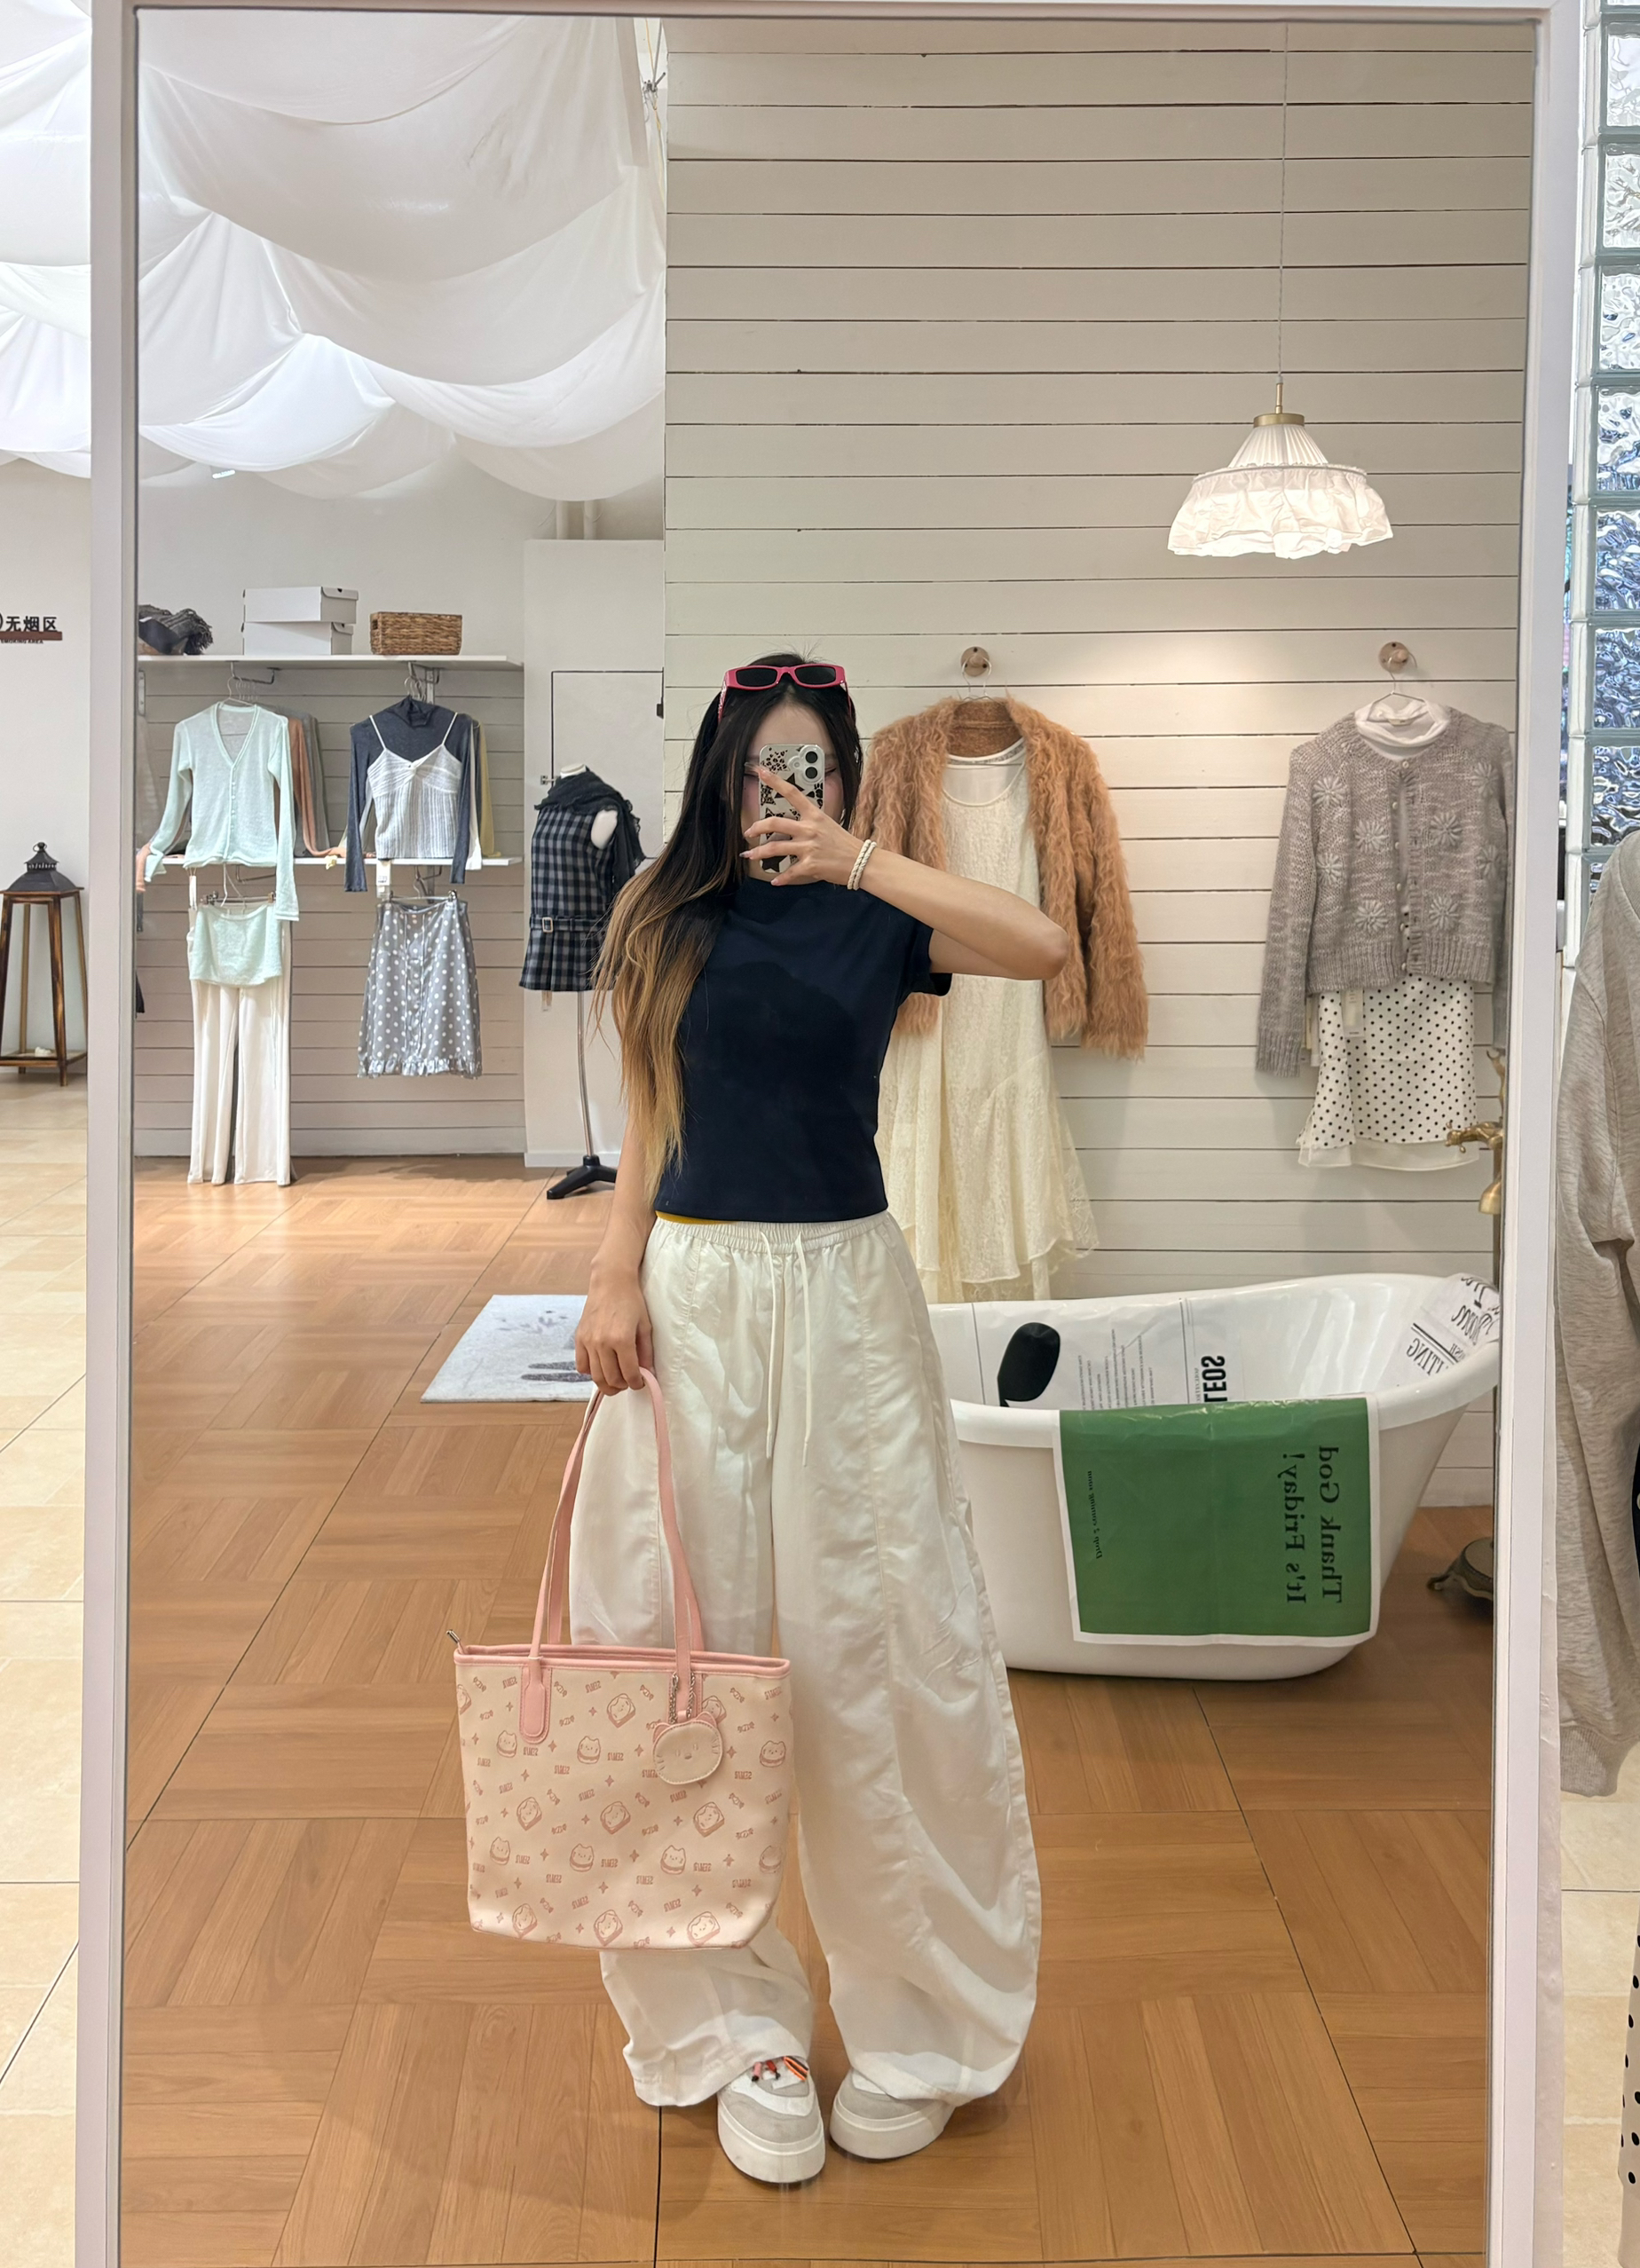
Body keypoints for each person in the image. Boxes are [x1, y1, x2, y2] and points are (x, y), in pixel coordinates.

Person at [572, 653, 1058, 2185]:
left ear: (844, 779)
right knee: (690, 1655)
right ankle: (732, 2023)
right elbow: (648, 1112)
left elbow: (1043, 945)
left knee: (881, 1652)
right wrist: (610, 1274)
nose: (784, 790)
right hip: (697, 1296)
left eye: (811, 766)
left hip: (849, 1296)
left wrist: (862, 859)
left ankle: (918, 2021)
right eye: (761, 766)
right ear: (719, 775)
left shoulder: (877, 908)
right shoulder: (662, 915)